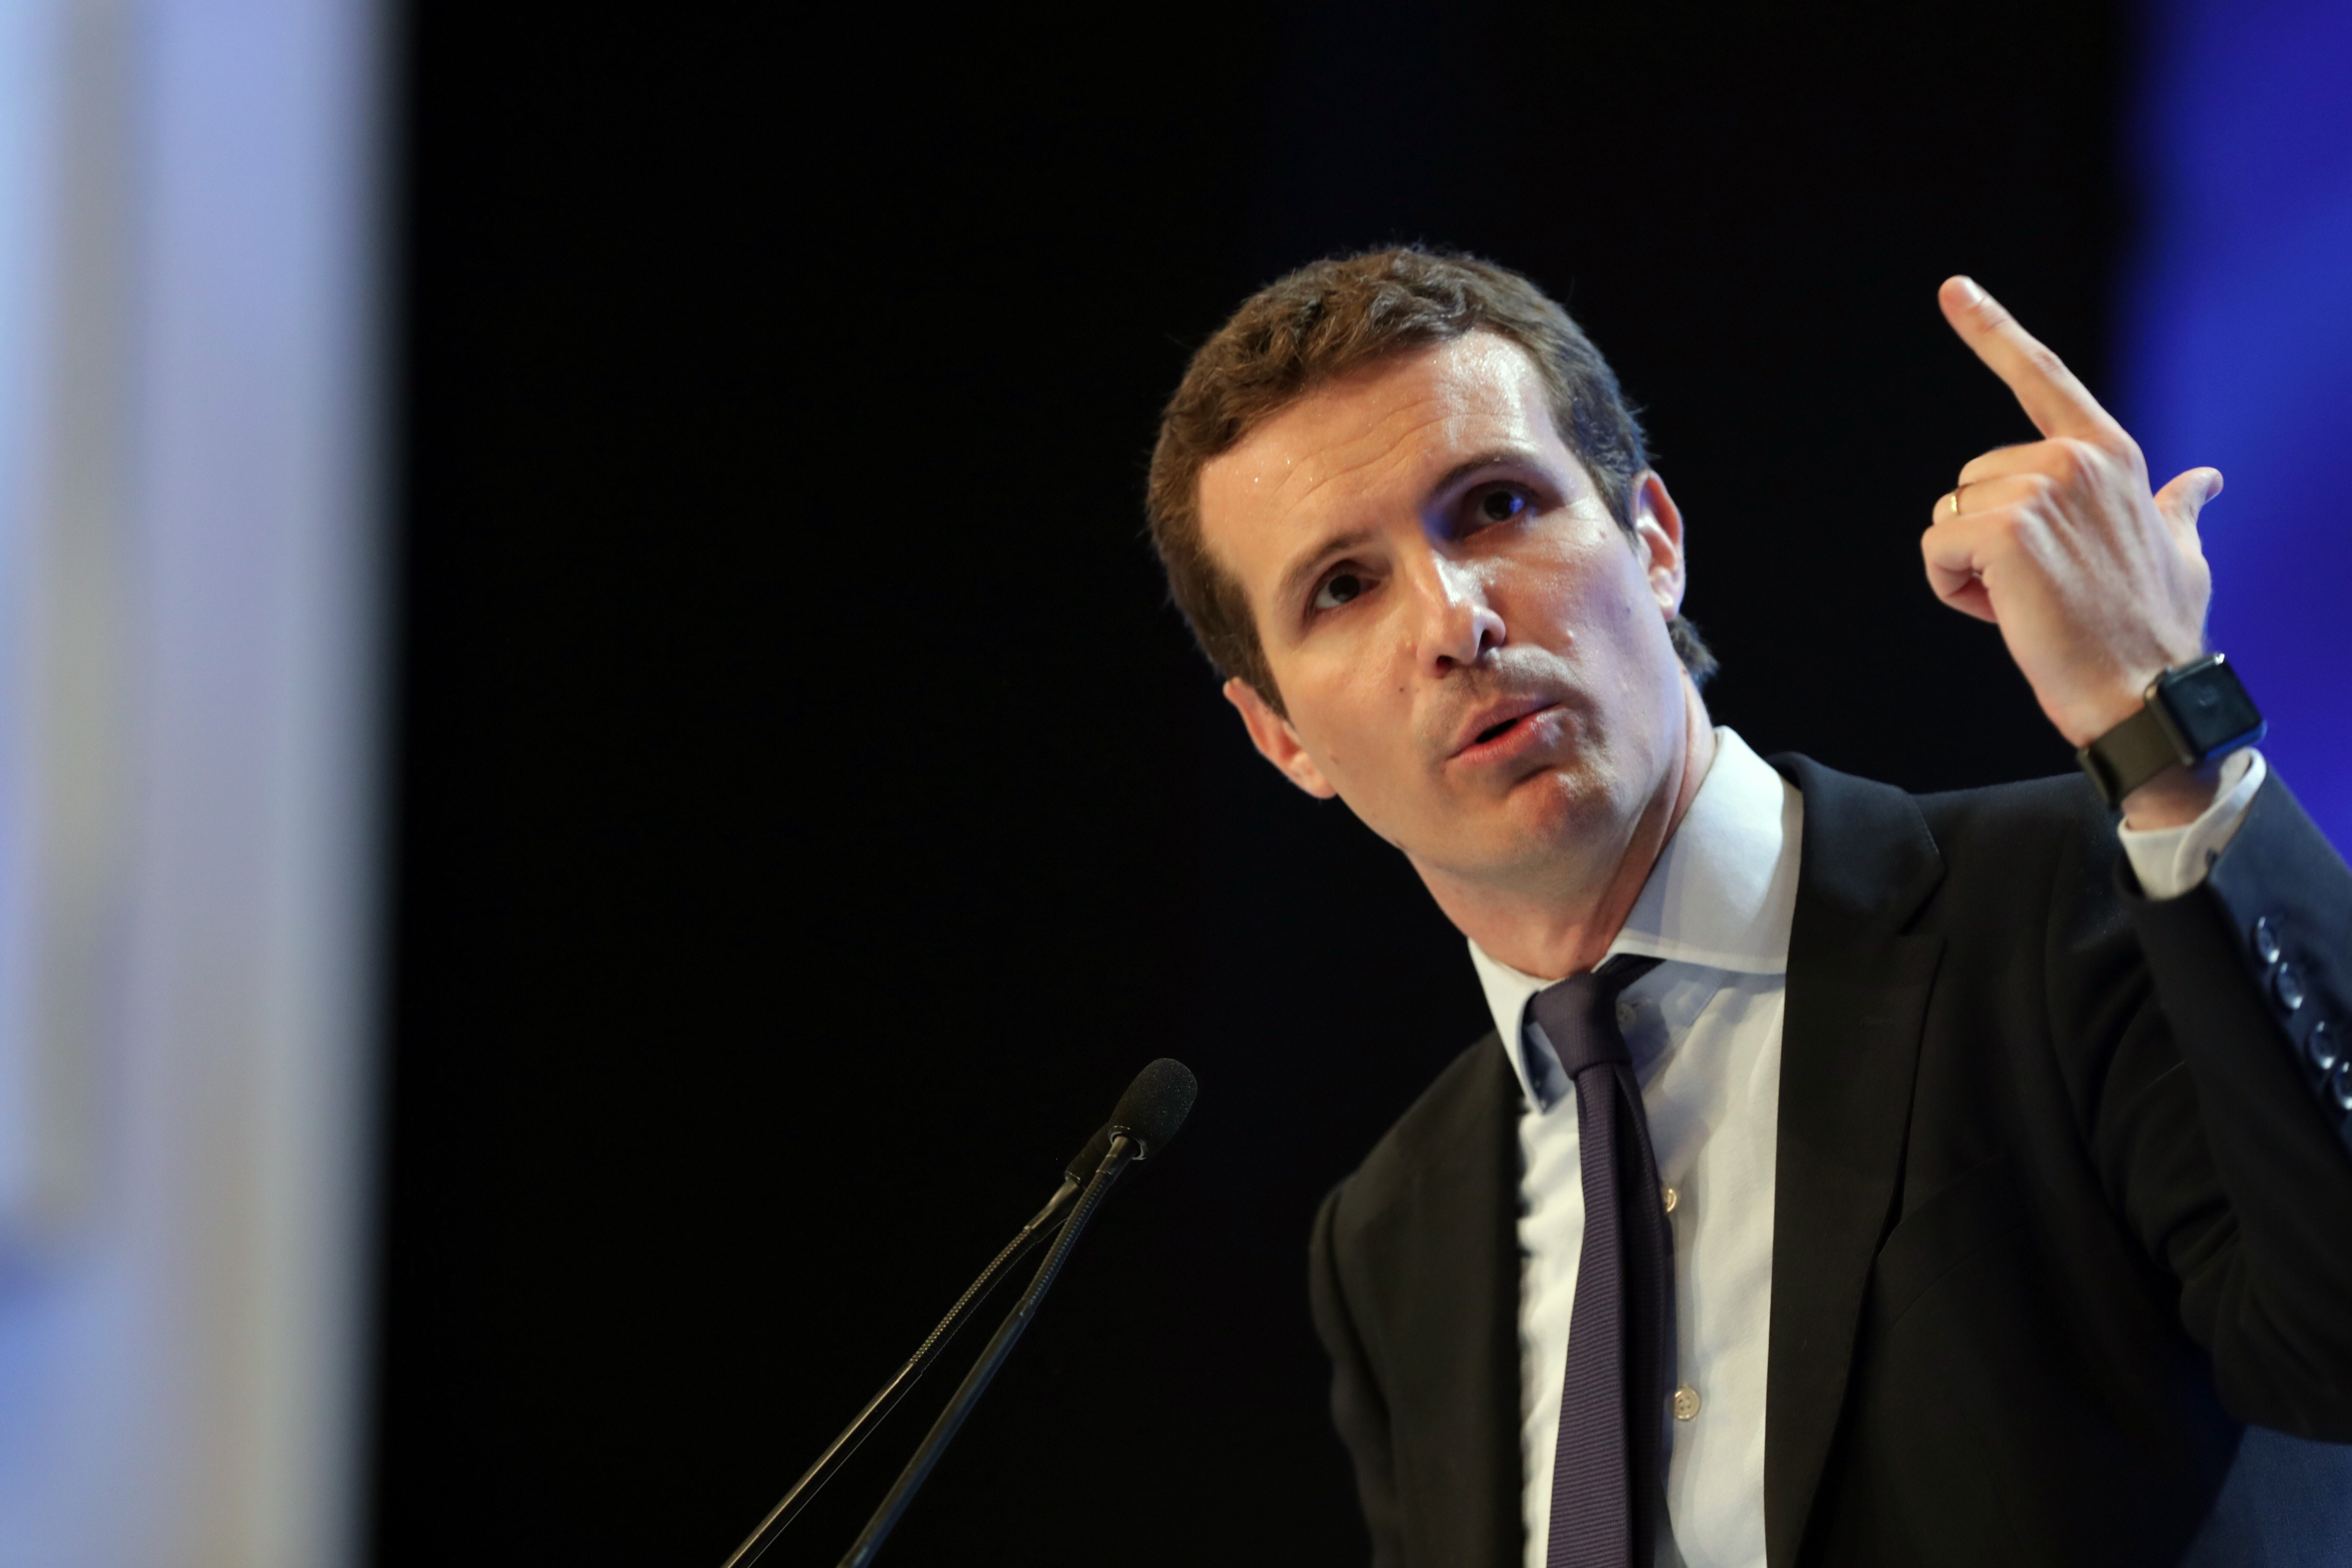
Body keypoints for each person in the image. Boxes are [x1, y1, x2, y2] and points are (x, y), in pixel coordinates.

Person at [1144, 248, 2352, 1568]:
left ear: (1654, 543)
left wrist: (2163, 725)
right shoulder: (1392, 1233)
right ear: (1281, 741)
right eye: (1343, 587)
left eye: (1494, 506)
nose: (1454, 619)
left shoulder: (2072, 903)